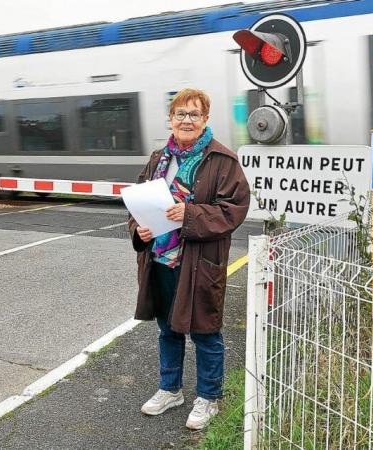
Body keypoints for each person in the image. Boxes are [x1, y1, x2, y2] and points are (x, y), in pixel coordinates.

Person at [128, 88, 250, 430]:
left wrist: (190, 214)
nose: (186, 120)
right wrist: (140, 230)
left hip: (199, 262)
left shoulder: (223, 161)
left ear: (206, 119)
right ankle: (170, 389)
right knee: (168, 329)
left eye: (194, 114)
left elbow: (233, 210)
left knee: (205, 332)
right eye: (180, 114)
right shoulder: (157, 159)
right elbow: (138, 203)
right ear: (170, 119)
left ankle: (209, 397)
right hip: (161, 260)